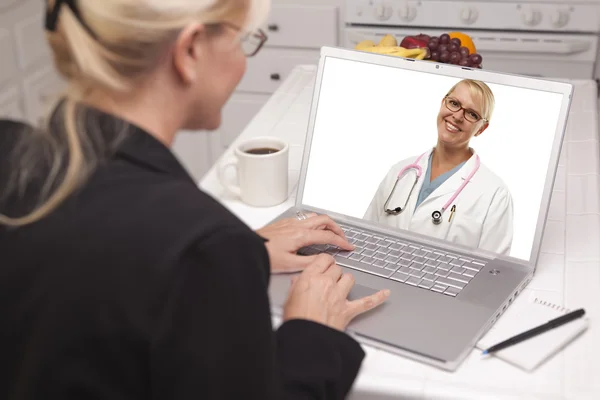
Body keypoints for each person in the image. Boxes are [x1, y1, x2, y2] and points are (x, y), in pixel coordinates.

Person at [0, 1, 390, 399]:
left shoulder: (9, 151)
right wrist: (313, 333)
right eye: (243, 41)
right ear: (190, 50)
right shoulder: (203, 245)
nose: (243, 61)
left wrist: (236, 252)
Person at [363, 79, 514, 256]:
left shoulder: (495, 194)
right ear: (443, 102)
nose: (457, 116)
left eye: (472, 114)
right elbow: (366, 239)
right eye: (454, 103)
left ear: (481, 128)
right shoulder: (400, 171)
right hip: (382, 279)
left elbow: (493, 271)